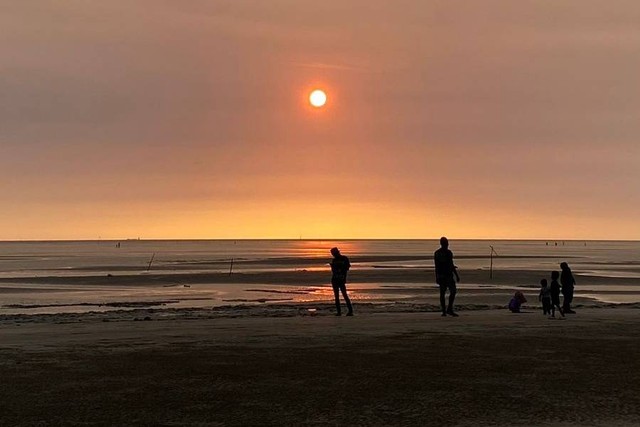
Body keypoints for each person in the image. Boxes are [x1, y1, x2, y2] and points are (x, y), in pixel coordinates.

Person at [434, 237, 460, 317]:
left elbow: (438, 266)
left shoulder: (439, 253)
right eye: (446, 243)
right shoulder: (443, 253)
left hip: (444, 275)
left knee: (447, 292)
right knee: (449, 291)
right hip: (445, 275)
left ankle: (447, 310)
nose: (447, 245)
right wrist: (456, 275)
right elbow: (449, 265)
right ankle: (446, 310)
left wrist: (437, 276)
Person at [329, 247, 353, 316]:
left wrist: (340, 267)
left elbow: (347, 267)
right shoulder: (334, 260)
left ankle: (350, 311)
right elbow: (333, 271)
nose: (333, 255)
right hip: (335, 279)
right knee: (336, 296)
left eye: (334, 253)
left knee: (344, 295)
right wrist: (333, 267)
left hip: (341, 279)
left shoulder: (344, 258)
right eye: (332, 254)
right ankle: (339, 312)